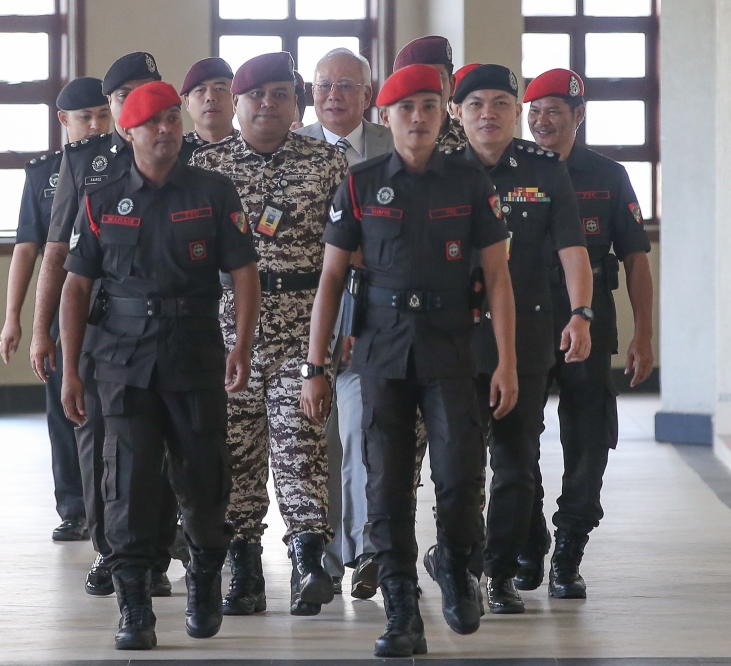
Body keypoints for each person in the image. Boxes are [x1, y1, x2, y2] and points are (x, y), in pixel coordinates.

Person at [301, 64, 517, 657]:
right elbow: (331, 279)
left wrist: (507, 362)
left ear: (442, 110)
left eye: (428, 105)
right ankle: (399, 607)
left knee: (458, 472)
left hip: (453, 345)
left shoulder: (469, 182)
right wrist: (316, 368)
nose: (417, 118)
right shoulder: (361, 183)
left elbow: (497, 278)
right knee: (386, 483)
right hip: (381, 348)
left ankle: (455, 565)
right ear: (386, 116)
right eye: (405, 109)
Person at [58, 81, 261, 650]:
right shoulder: (100, 200)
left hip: (194, 353)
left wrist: (240, 345)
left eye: (173, 119)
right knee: (127, 483)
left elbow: (243, 272)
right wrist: (71, 368)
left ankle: (201, 578)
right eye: (154, 122)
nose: (167, 130)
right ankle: (134, 606)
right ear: (128, 131)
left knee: (204, 478)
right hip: (121, 362)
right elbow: (77, 288)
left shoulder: (215, 193)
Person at [190, 51, 349, 618]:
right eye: (256, 95)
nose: (267, 104)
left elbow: (352, 256)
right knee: (236, 453)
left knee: (300, 445)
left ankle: (308, 558)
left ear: (297, 104)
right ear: (235, 104)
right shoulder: (206, 170)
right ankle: (244, 566)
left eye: (280, 94)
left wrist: (342, 333)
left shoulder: (329, 164)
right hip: (228, 331)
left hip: (303, 330)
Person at [29, 52, 182, 598]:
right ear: (113, 106)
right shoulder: (85, 161)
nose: (138, 105)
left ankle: (155, 554)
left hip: (167, 328)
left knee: (160, 445)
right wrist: (41, 328)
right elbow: (55, 252)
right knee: (96, 444)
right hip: (100, 328)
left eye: (149, 92)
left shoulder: (184, 155)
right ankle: (109, 551)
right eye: (123, 97)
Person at [448, 64, 593, 614]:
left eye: (502, 104)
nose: (489, 114)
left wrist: (580, 312)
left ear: (517, 113)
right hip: (453, 340)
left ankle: (499, 572)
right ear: (458, 112)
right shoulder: (439, 170)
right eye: (477, 103)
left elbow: (572, 249)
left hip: (525, 337)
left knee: (515, 463)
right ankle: (460, 560)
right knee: (459, 465)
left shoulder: (545, 170)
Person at [516, 68, 653, 599]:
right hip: (525, 313)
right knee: (516, 431)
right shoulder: (513, 169)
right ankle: (529, 539)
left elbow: (636, 260)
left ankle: (570, 545)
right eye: (534, 110)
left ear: (578, 115)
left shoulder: (609, 175)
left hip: (591, 313)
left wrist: (643, 335)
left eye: (554, 110)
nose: (541, 120)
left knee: (589, 432)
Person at [294, 47, 393, 598]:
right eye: (324, 85)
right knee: (314, 438)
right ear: (311, 94)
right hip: (304, 317)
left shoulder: (391, 144)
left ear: (368, 94)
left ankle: (368, 550)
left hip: (372, 317)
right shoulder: (295, 146)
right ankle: (323, 556)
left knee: (360, 431)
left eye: (347, 85)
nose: (334, 95)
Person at [0, 77, 111, 543]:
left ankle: (115, 504)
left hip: (111, 300)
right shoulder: (42, 172)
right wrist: (17, 319)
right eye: (86, 118)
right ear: (63, 120)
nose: (96, 125)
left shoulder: (125, 161)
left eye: (104, 115)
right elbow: (29, 250)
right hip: (65, 306)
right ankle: (73, 507)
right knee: (65, 406)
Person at [394, 36, 468, 151]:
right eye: (418, 79)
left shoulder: (473, 140)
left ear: (452, 85)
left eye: (438, 76)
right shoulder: (382, 143)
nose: (429, 87)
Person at [180, 57, 237, 149]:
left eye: (219, 89)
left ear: (236, 99)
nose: (210, 97)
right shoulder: (173, 151)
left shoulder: (255, 147)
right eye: (200, 90)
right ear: (187, 102)